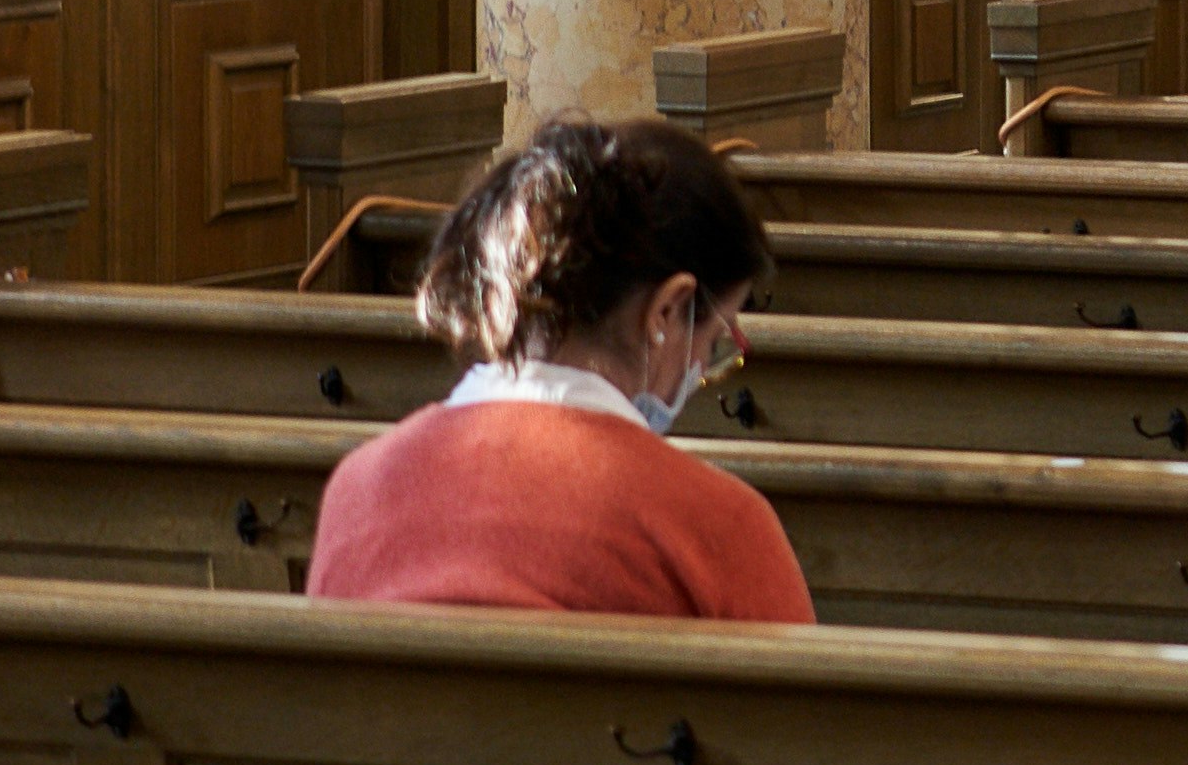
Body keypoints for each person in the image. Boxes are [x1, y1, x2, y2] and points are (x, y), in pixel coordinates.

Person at [303, 113, 817, 623]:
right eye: (715, 337)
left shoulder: (358, 492)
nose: (704, 367)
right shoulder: (720, 527)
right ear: (666, 310)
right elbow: (802, 705)